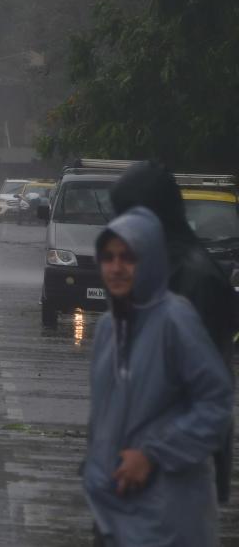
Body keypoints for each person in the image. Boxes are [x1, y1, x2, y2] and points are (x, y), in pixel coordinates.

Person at [83, 206, 233, 546]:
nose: (116, 268)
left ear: (149, 260)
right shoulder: (108, 328)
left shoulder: (175, 320)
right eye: (108, 257)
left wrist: (153, 455)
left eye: (128, 257)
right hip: (117, 514)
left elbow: (216, 405)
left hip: (169, 519)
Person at [110, 161, 236, 503]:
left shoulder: (195, 279)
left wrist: (154, 454)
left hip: (175, 471)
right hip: (135, 467)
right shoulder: (154, 268)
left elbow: (207, 397)